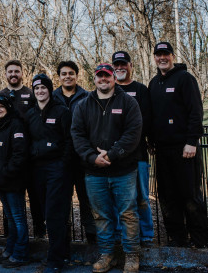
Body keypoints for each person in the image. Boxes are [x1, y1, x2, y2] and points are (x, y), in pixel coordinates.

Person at [71, 63, 143, 273]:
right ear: (94, 79)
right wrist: (93, 157)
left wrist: (111, 155)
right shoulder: (83, 105)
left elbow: (133, 134)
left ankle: (131, 255)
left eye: (107, 76)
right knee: (100, 215)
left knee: (128, 214)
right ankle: (107, 254)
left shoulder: (128, 102)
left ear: (113, 78)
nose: (103, 79)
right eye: (99, 76)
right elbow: (77, 135)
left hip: (123, 171)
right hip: (94, 173)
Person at [148, 41, 208, 248]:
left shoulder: (185, 79)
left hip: (185, 150)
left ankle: (200, 240)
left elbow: (195, 112)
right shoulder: (153, 83)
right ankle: (177, 238)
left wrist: (192, 141)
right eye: (158, 55)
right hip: (162, 151)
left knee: (190, 196)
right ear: (154, 57)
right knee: (167, 197)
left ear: (172, 56)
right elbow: (152, 116)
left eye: (166, 54)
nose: (162, 58)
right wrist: (151, 141)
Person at [0, 59, 45, 238]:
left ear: (22, 73)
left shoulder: (31, 94)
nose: (13, 74)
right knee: (11, 203)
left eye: (17, 71)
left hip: (30, 156)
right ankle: (11, 238)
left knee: (35, 198)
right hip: (8, 158)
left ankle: (39, 235)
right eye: (10, 71)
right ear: (5, 74)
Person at [27, 73, 73, 273]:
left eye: (43, 88)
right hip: (37, 169)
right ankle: (63, 251)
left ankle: (55, 259)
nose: (40, 91)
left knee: (56, 214)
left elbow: (70, 142)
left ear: (49, 89)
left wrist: (63, 165)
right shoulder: (30, 114)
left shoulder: (62, 112)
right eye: (36, 88)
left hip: (58, 169)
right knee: (47, 213)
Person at [52, 61, 97, 244]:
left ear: (77, 75)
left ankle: (92, 239)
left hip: (83, 158)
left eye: (71, 73)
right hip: (60, 158)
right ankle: (65, 240)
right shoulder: (52, 97)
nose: (67, 76)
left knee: (87, 201)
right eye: (64, 73)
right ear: (59, 76)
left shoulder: (87, 97)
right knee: (61, 202)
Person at [112, 51, 154, 247]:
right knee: (118, 199)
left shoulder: (141, 89)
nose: (119, 68)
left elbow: (145, 122)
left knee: (142, 198)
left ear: (130, 65)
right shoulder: (109, 90)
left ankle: (146, 235)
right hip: (115, 157)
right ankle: (122, 235)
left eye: (123, 64)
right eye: (116, 65)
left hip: (138, 154)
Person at [0, 95, 30, 268]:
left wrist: (6, 172)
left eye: (1, 106)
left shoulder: (15, 125)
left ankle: (21, 253)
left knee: (18, 218)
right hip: (1, 181)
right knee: (11, 218)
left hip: (13, 181)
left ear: (8, 108)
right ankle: (11, 248)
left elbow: (19, 154)